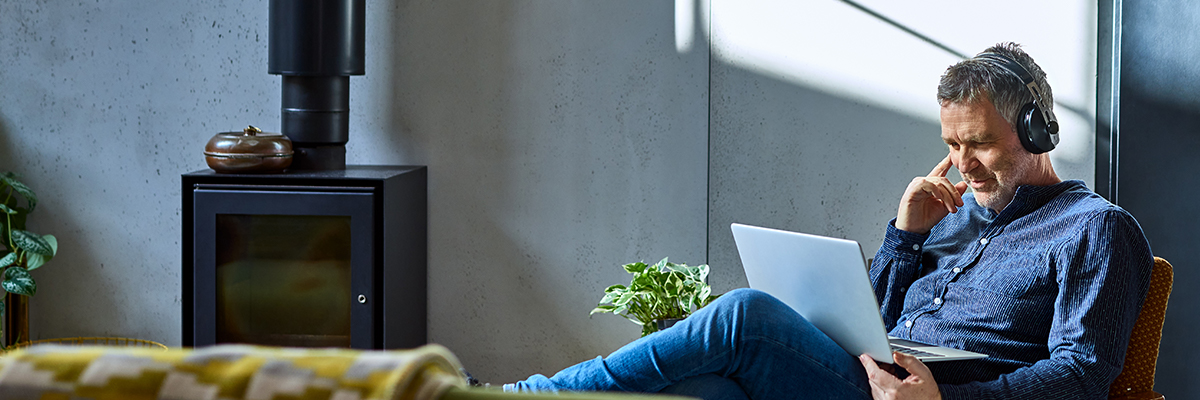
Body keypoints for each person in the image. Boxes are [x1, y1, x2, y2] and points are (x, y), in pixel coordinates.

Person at [502, 42, 1153, 400]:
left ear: (1036, 129)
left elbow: (1081, 374)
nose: (961, 163)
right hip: (865, 375)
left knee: (744, 315)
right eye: (952, 144)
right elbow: (867, 317)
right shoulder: (949, 213)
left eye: (978, 142)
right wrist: (906, 235)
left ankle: (523, 397)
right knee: (706, 389)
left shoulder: (1096, 229)